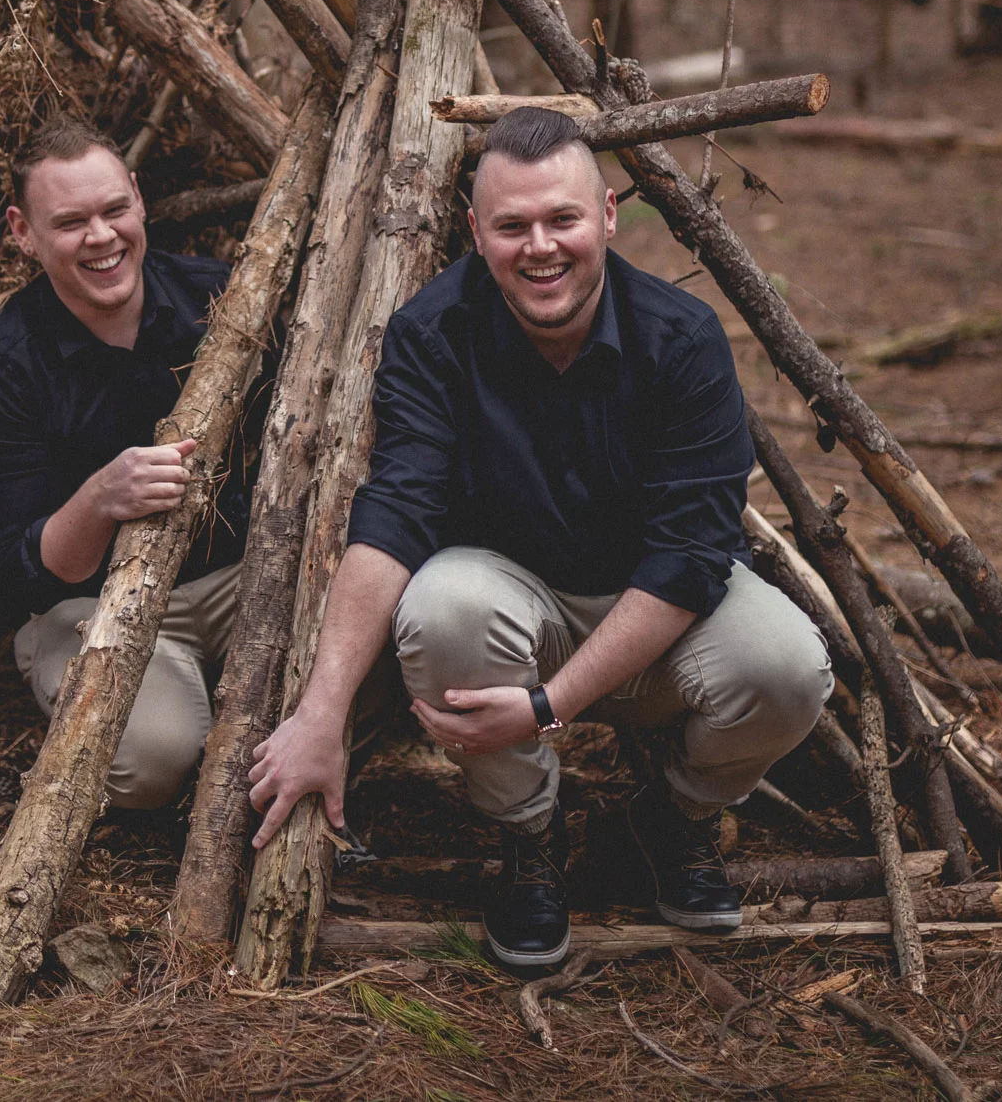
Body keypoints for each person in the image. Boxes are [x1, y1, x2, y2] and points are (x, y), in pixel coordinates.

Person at [247, 106, 831, 969]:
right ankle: (529, 837)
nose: (541, 247)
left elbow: (688, 559)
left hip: (662, 616)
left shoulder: (682, 340)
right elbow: (394, 515)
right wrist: (320, 714)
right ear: (475, 229)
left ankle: (670, 819)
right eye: (513, 225)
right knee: (442, 609)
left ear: (608, 215)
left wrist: (551, 705)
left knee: (788, 665)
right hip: (516, 609)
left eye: (563, 218)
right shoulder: (432, 334)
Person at [0, 115, 249, 813]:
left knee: (373, 639)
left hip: (241, 579)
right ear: (23, 232)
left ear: (139, 199)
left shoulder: (224, 300)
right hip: (90, 608)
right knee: (149, 761)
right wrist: (98, 498)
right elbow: (16, 572)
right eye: (70, 222)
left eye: (115, 209)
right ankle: (195, 771)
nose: (101, 237)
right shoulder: (4, 369)